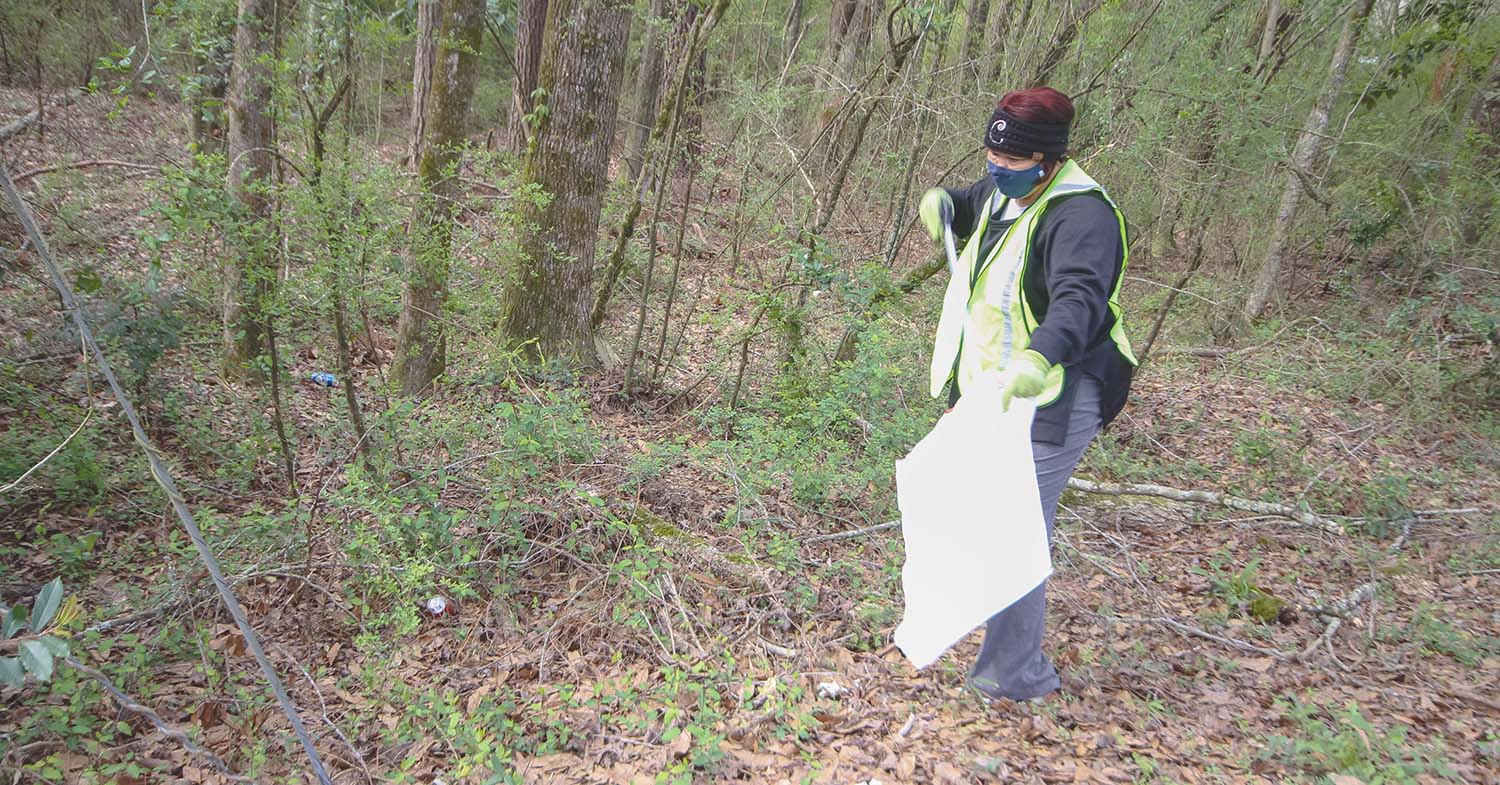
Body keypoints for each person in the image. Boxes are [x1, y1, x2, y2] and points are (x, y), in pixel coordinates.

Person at [915, 86, 1137, 702]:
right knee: (986, 511)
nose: (997, 172)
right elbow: (973, 203)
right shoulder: (1003, 187)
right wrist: (945, 203)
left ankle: (1012, 676)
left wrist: (1041, 355)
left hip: (1058, 389)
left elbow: (1079, 299)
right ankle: (1004, 656)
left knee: (1012, 524)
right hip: (994, 390)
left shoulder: (1081, 215)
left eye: (1013, 165)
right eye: (991, 158)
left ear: (1048, 162)